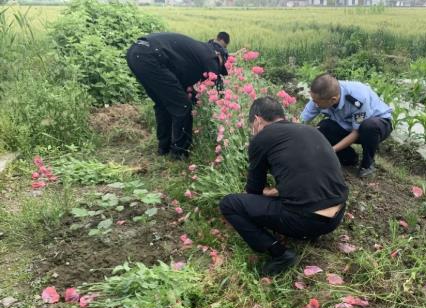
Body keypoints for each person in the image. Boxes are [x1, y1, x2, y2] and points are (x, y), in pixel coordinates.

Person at [220, 96, 348, 276]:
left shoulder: (262, 137)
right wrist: (275, 192)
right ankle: (310, 232)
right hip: (336, 216)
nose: (253, 131)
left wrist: (262, 195)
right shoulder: (311, 131)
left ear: (257, 120)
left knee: (229, 204)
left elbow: (253, 191)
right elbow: (306, 173)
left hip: (307, 221)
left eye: (252, 127)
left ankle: (280, 254)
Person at [126, 32, 229, 159]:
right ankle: (179, 153)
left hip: (135, 53)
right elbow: (214, 89)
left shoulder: (196, 51)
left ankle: (164, 148)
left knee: (163, 104)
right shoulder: (212, 57)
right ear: (220, 56)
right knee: (183, 106)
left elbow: (180, 83)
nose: (219, 69)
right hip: (152, 56)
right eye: (222, 66)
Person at [300, 73, 393, 178]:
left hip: (376, 124)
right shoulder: (321, 95)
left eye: (317, 103)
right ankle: (350, 158)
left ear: (333, 100)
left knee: (368, 127)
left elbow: (357, 132)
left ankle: (368, 164)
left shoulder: (357, 98)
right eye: (314, 101)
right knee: (324, 127)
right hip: (347, 125)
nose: (315, 105)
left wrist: (332, 150)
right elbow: (302, 120)